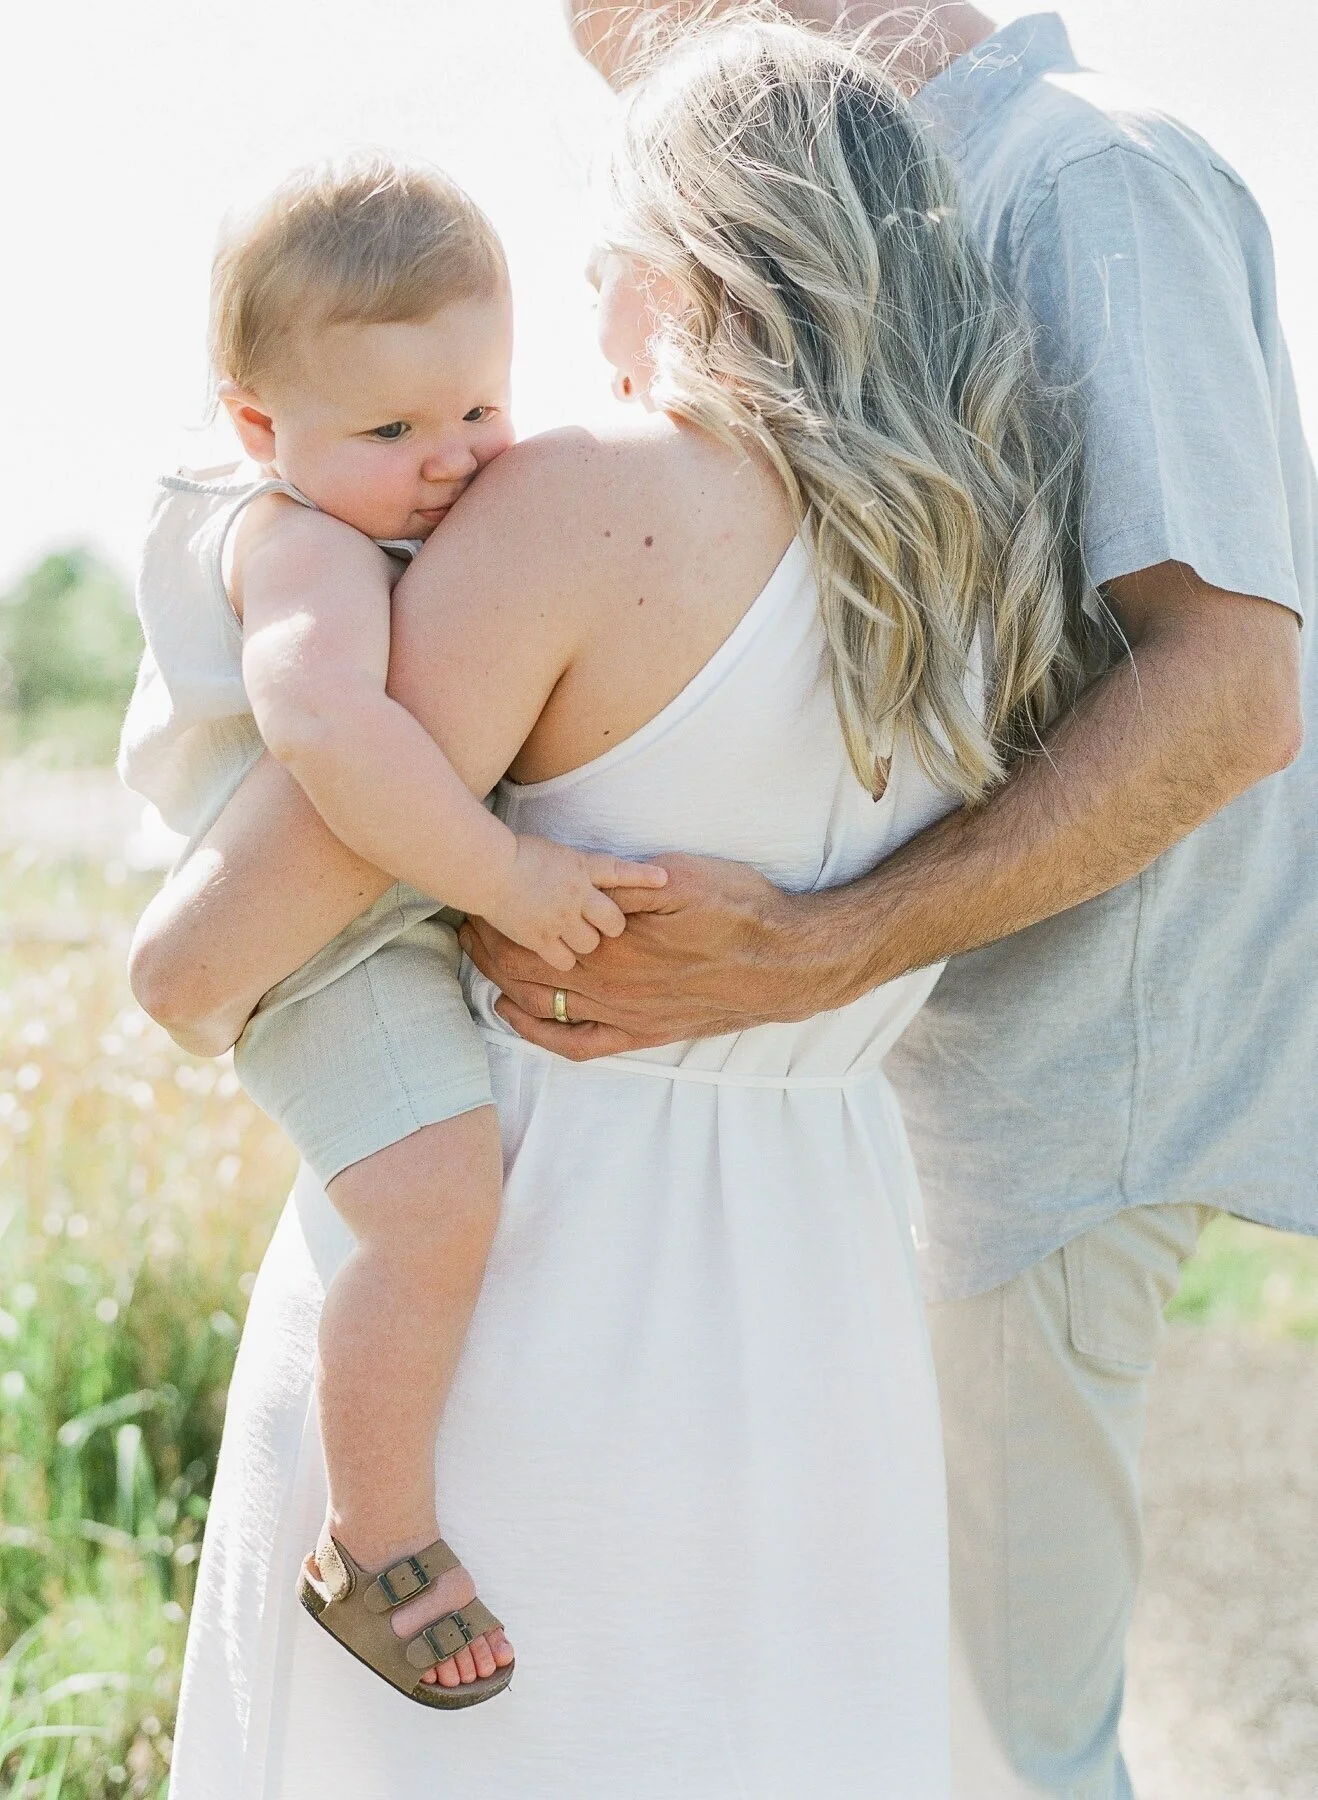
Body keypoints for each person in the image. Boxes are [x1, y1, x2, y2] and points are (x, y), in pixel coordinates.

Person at [130, 18, 1090, 1795]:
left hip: (534, 1244)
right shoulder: (991, 564)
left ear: (685, 259)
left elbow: (209, 960)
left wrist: (176, 969)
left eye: (604, 268)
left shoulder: (574, 507)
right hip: (820, 1274)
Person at [506, 6, 1307, 1797]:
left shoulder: (1086, 175)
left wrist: (817, 950)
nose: (660, 121)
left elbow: (1229, 693)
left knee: (993, 1742)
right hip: (880, 1097)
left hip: (1055, 1097)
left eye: (651, 50)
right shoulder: (915, 200)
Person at [119, 155, 666, 1704]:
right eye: (393, 430)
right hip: (322, 951)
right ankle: (374, 1542)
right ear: (257, 430)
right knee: (432, 1216)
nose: (451, 462)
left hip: (367, 916)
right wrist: (502, 877)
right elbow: (333, 741)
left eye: (479, 410)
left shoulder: (359, 492)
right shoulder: (297, 544)